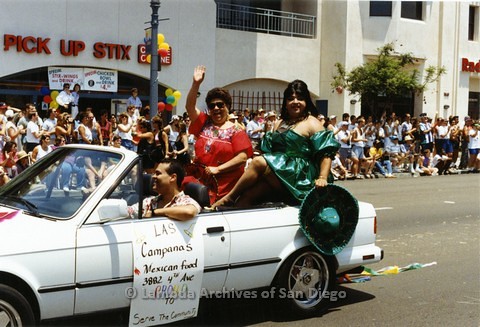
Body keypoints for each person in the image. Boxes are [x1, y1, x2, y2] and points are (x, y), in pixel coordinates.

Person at [213, 79, 339, 208]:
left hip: (301, 178)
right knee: (247, 197)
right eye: (291, 99)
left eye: (300, 98)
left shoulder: (312, 122)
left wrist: (322, 177)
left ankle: (229, 197)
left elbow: (326, 153)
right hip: (279, 174)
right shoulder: (279, 123)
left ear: (306, 101)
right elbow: (268, 151)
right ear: (285, 102)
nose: (295, 102)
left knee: (258, 162)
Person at [185, 65, 253, 203]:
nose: (216, 108)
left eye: (220, 105)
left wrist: (218, 169)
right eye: (212, 106)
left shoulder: (236, 131)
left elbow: (242, 158)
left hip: (224, 188)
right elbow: (190, 107)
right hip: (198, 181)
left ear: (227, 107)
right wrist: (196, 84)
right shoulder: (204, 122)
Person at [132, 160, 201, 221]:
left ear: (173, 177)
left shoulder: (185, 202)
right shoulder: (149, 202)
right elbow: (129, 211)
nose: (153, 176)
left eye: (158, 173)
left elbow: (189, 212)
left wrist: (154, 212)